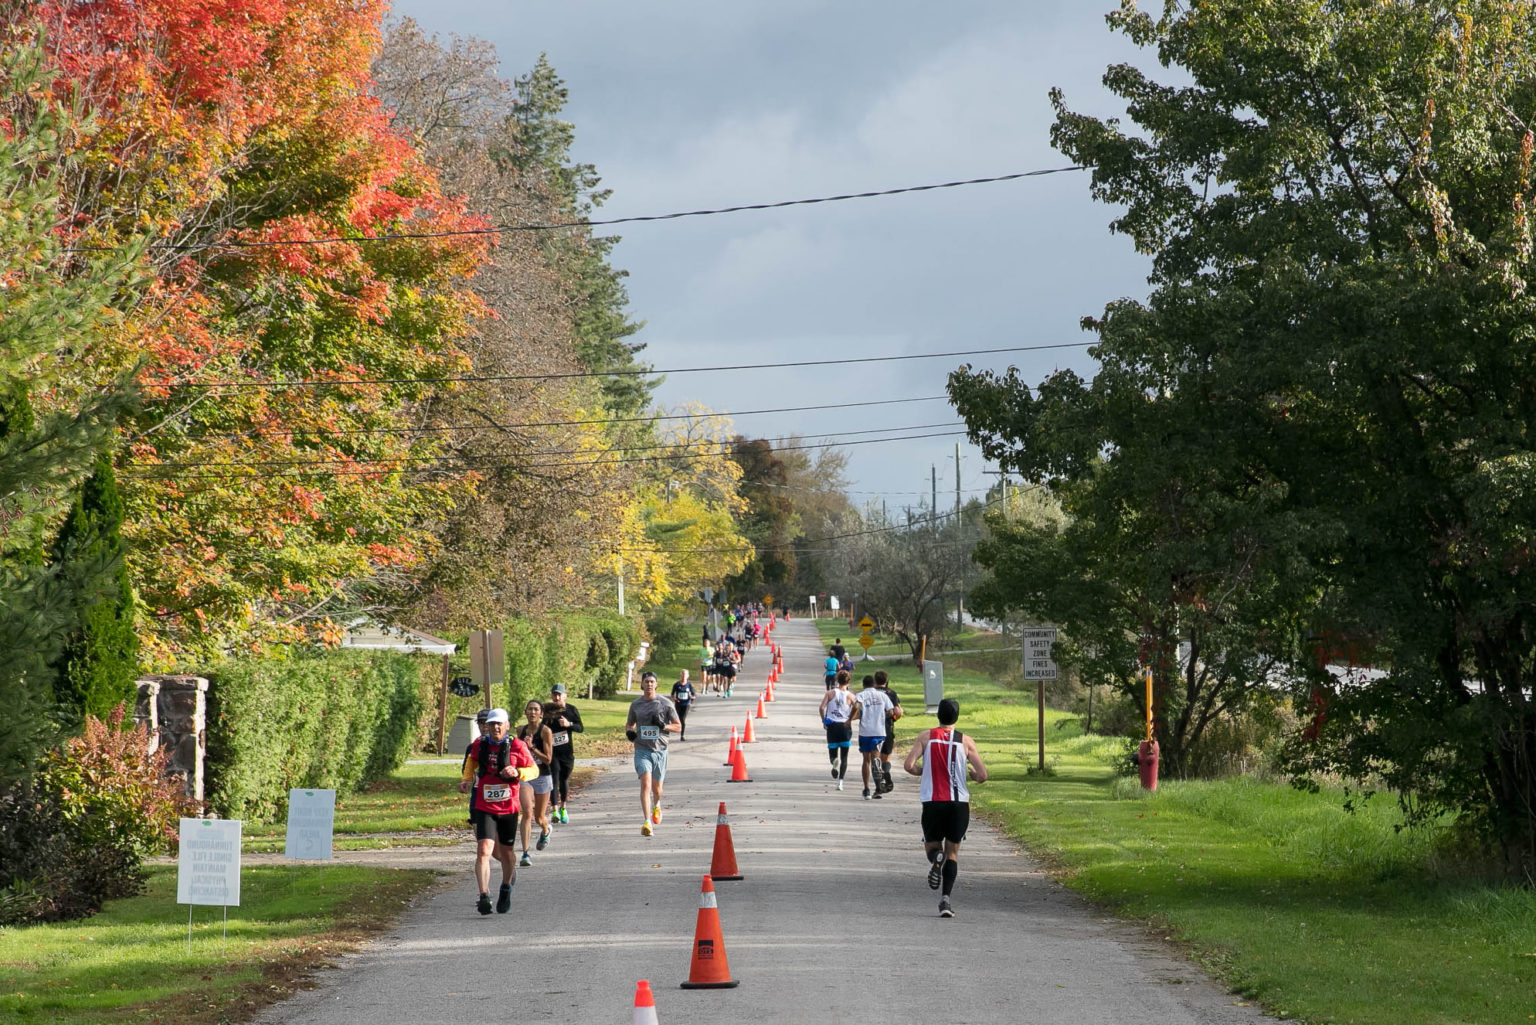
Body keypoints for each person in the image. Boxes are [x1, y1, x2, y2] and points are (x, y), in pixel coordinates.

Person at [902, 697, 989, 918]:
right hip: (958, 804)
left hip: (933, 802)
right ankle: (946, 900)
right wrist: (972, 775)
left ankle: (936, 859)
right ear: (957, 717)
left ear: (938, 715)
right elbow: (982, 775)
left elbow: (909, 765)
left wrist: (923, 771)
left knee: (932, 847)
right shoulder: (966, 741)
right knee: (953, 852)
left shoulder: (926, 737)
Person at [457, 708, 535, 915]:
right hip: (484, 806)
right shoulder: (480, 744)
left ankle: (506, 887)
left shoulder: (517, 746)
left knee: (507, 853)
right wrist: (466, 779)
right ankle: (483, 895)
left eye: (499, 724)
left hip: (508, 807)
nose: (495, 728)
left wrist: (517, 771)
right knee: (484, 850)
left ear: (507, 726)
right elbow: (472, 760)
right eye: (492, 724)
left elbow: (534, 770)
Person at [625, 670, 681, 836]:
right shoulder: (636, 705)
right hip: (642, 750)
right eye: (646, 681)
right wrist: (629, 732)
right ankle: (647, 821)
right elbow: (629, 724)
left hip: (660, 750)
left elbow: (678, 726)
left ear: (656, 684)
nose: (649, 684)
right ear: (642, 685)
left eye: (652, 682)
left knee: (657, 790)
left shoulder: (665, 704)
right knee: (646, 784)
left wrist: (663, 726)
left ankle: (657, 805)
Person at [514, 701, 555, 866]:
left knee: (539, 818)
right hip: (526, 775)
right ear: (525, 712)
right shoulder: (520, 730)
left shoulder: (545, 731)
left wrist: (531, 748)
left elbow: (548, 759)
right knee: (527, 812)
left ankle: (546, 829)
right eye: (530, 709)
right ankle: (525, 853)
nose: (532, 712)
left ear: (541, 714)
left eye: (536, 709)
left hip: (542, 776)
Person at [543, 683, 583, 824]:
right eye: (554, 695)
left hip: (567, 752)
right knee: (554, 779)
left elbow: (580, 728)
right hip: (553, 752)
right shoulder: (548, 711)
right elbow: (542, 728)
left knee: (564, 779)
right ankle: (554, 810)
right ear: (551, 696)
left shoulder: (571, 710)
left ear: (565, 696)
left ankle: (563, 807)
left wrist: (568, 724)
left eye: (559, 695)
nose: (557, 697)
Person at [851, 674, 894, 800]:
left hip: (865, 731)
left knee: (866, 760)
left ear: (863, 685)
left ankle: (866, 789)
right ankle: (878, 787)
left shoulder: (861, 695)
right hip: (879, 731)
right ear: (874, 684)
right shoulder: (883, 695)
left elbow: (856, 706)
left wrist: (850, 718)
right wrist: (882, 715)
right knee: (876, 757)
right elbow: (891, 712)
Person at [818, 669, 855, 789]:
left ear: (837, 680)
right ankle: (840, 782)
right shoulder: (851, 696)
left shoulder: (830, 693)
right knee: (844, 757)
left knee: (832, 753)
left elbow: (821, 708)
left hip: (832, 726)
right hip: (844, 727)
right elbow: (857, 709)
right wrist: (850, 719)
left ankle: (834, 762)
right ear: (848, 681)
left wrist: (824, 720)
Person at [874, 670, 903, 794]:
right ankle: (886, 771)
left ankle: (879, 779)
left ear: (875, 681)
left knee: (876, 756)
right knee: (886, 755)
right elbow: (898, 711)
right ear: (886, 681)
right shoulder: (891, 693)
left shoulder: (871, 693)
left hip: (873, 728)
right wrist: (895, 717)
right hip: (887, 727)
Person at [670, 670, 696, 740]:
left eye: (685, 674)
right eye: (683, 674)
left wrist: (691, 697)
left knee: (682, 719)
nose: (684, 676)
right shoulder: (676, 684)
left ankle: (682, 735)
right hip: (678, 704)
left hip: (686, 704)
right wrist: (674, 698)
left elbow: (694, 695)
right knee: (678, 718)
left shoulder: (689, 685)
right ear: (680, 675)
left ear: (688, 676)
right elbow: (672, 694)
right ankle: (677, 728)